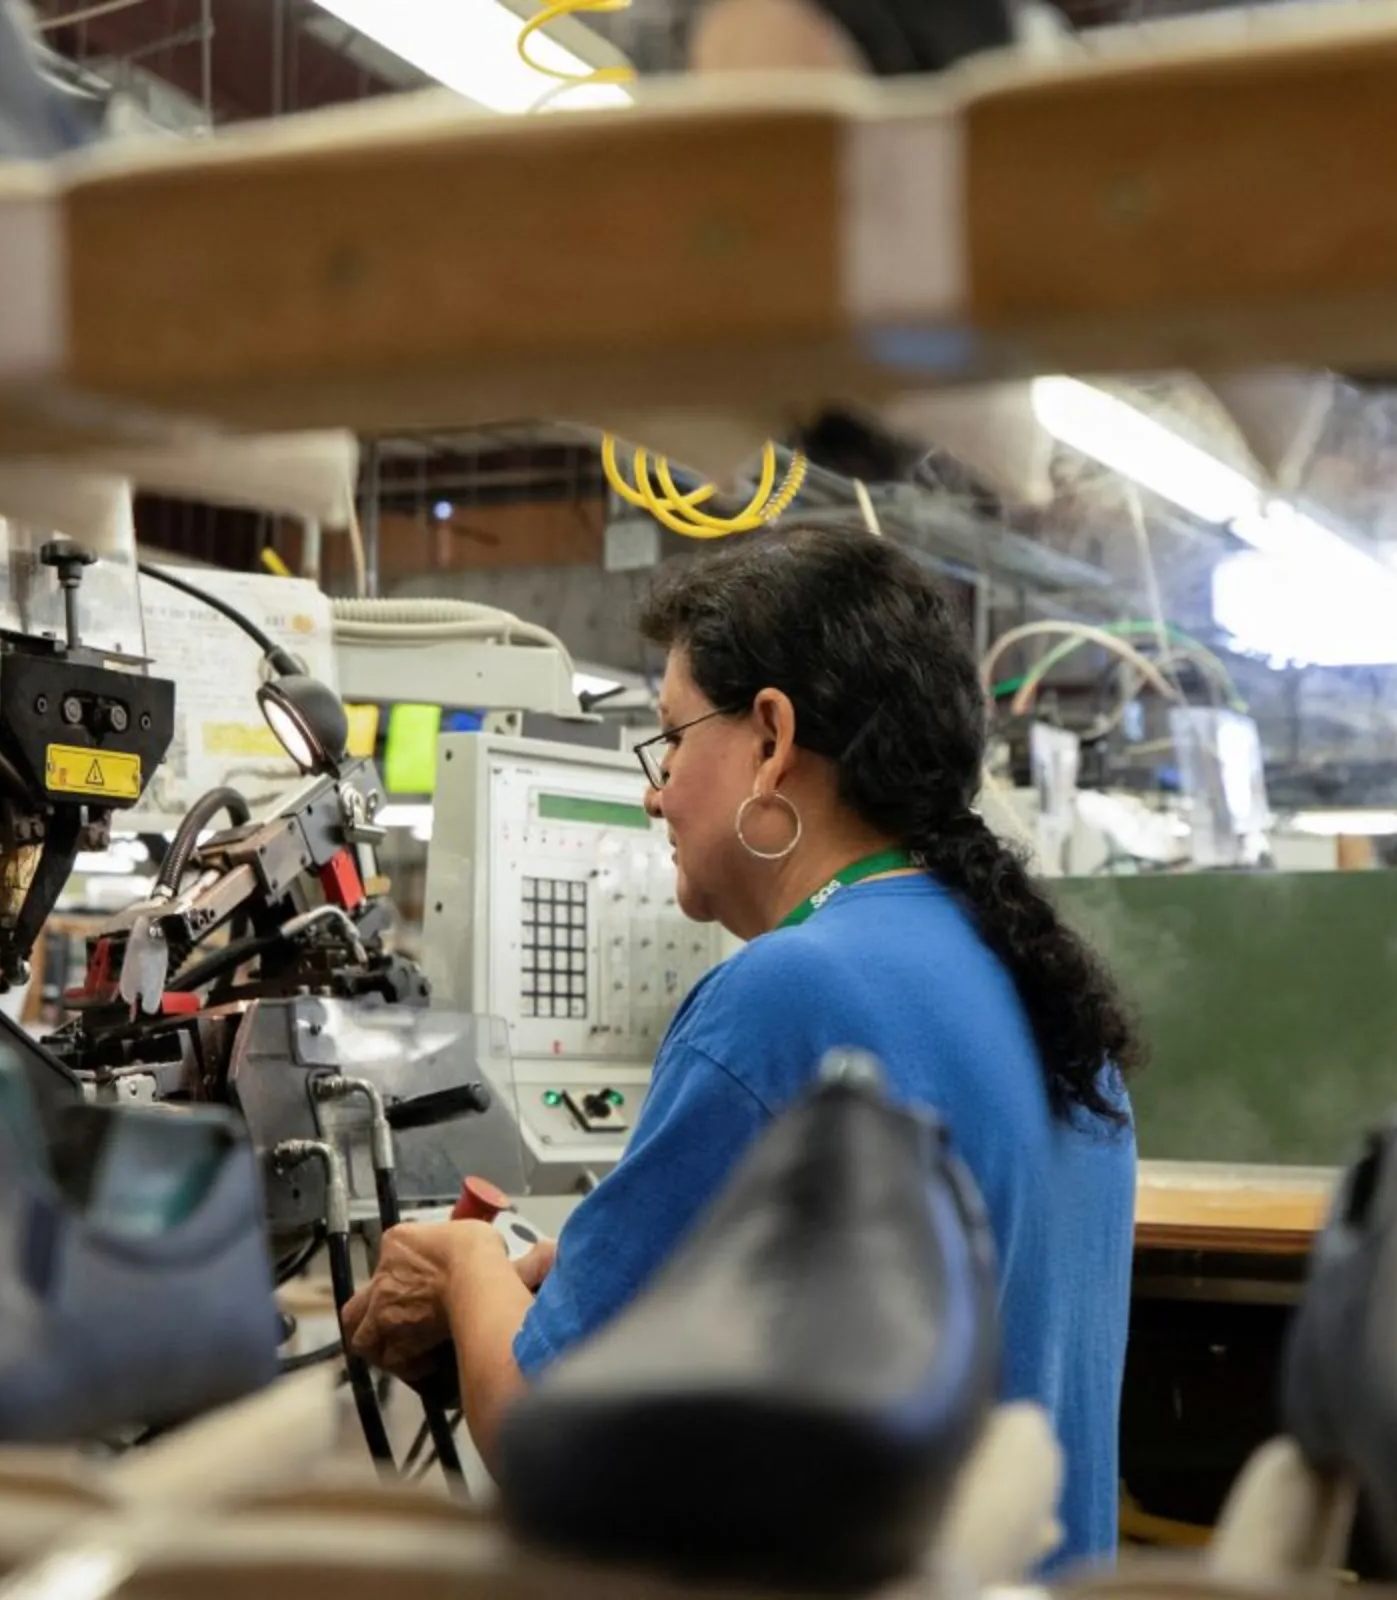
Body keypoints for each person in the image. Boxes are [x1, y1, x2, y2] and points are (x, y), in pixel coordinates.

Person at [343, 520, 1142, 1566]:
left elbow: (543, 1425)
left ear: (769, 737)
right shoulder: (1042, 986)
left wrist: (461, 1266)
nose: (655, 788)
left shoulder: (783, 994)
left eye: (672, 738)